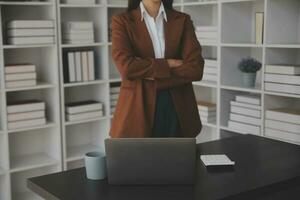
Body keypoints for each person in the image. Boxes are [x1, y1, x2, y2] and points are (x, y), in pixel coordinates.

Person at [109, 0, 205, 138]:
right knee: (142, 159)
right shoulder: (122, 21)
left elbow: (196, 68)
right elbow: (127, 67)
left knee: (178, 159)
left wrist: (148, 73)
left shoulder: (183, 20)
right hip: (137, 110)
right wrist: (168, 64)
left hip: (178, 109)